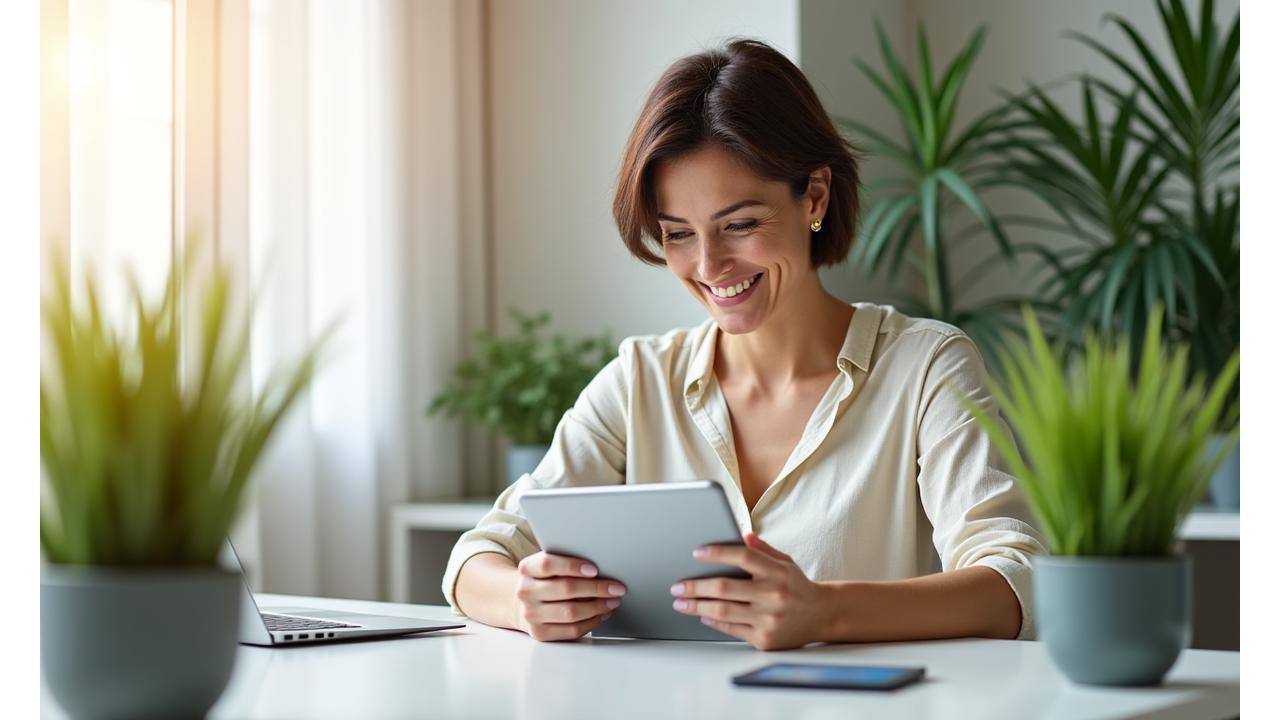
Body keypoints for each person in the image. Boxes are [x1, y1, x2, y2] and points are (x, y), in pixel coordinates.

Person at [442, 38, 1046, 651]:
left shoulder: (925, 367)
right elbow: (476, 559)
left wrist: (825, 612)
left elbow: (1014, 582)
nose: (709, 265)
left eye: (740, 224)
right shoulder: (640, 380)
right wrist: (526, 600)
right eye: (678, 234)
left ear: (815, 195)